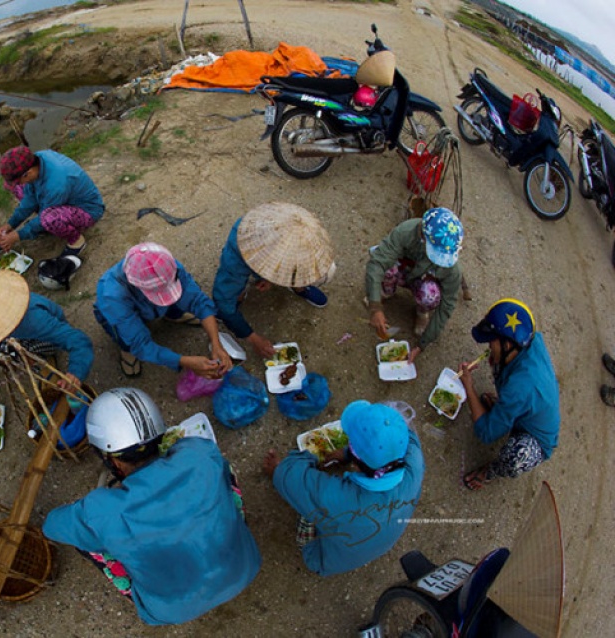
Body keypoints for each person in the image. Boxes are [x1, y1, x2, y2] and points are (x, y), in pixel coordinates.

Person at [43, 388, 261, 625]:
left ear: (112, 459)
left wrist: (82, 510)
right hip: (243, 568)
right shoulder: (200, 452)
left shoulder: (101, 511)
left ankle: (135, 589)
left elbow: (51, 526)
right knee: (224, 472)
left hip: (172, 610)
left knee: (89, 543)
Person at [263, 400, 424, 576]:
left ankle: (311, 551)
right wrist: (348, 453)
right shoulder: (414, 459)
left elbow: (290, 475)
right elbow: (395, 438)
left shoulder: (337, 498)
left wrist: (279, 469)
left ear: (358, 462)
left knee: (306, 505)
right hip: (382, 539)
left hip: (326, 559)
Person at [458, 299, 560, 490]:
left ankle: (490, 471)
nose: (488, 346)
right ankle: (505, 412)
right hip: (526, 401)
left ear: (508, 344)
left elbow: (485, 433)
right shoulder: (530, 340)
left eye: (492, 341)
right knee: (499, 367)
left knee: (517, 456)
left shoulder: (519, 388)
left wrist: (468, 387)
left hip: (536, 438)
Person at [213, 202, 335, 359]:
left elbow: (274, 260)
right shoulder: (239, 254)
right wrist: (253, 338)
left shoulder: (304, 228)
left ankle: (297, 287)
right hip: (244, 253)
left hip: (266, 249)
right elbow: (224, 304)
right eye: (300, 279)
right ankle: (239, 295)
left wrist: (269, 279)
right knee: (227, 302)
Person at [93, 242, 232, 378]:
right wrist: (184, 361)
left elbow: (197, 300)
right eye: (158, 294)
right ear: (136, 286)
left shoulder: (164, 264)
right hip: (119, 316)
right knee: (126, 337)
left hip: (144, 306)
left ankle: (172, 315)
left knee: (177, 298)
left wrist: (216, 342)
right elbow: (141, 344)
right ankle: (126, 350)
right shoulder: (112, 297)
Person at [366, 207, 464, 363]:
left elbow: (447, 306)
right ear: (422, 236)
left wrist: (421, 345)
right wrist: (375, 306)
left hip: (422, 281)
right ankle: (385, 291)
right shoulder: (406, 232)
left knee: (430, 296)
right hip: (402, 270)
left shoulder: (453, 269)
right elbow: (377, 263)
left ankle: (422, 311)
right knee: (386, 267)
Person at [0, 146, 104, 258]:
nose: (19, 183)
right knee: (19, 189)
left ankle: (77, 241)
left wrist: (17, 235)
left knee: (48, 218)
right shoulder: (36, 160)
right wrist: (11, 224)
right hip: (59, 200)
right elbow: (29, 197)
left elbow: (44, 215)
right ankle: (47, 227)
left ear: (28, 173)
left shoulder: (57, 184)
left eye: (19, 181)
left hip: (88, 210)